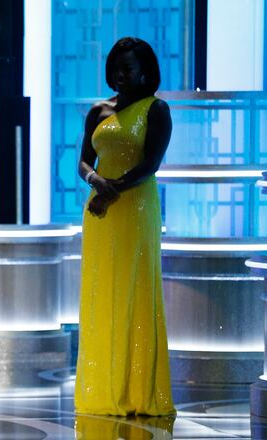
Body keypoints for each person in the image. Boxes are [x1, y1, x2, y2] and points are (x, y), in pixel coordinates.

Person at [74, 37, 175, 416]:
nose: (120, 74)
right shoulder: (97, 111)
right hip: (100, 213)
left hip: (135, 207)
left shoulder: (156, 109)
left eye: (128, 67)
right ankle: (104, 388)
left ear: (145, 71)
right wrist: (95, 184)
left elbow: (152, 164)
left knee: (135, 290)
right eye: (115, 66)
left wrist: (112, 189)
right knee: (102, 292)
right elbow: (83, 162)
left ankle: (136, 393)